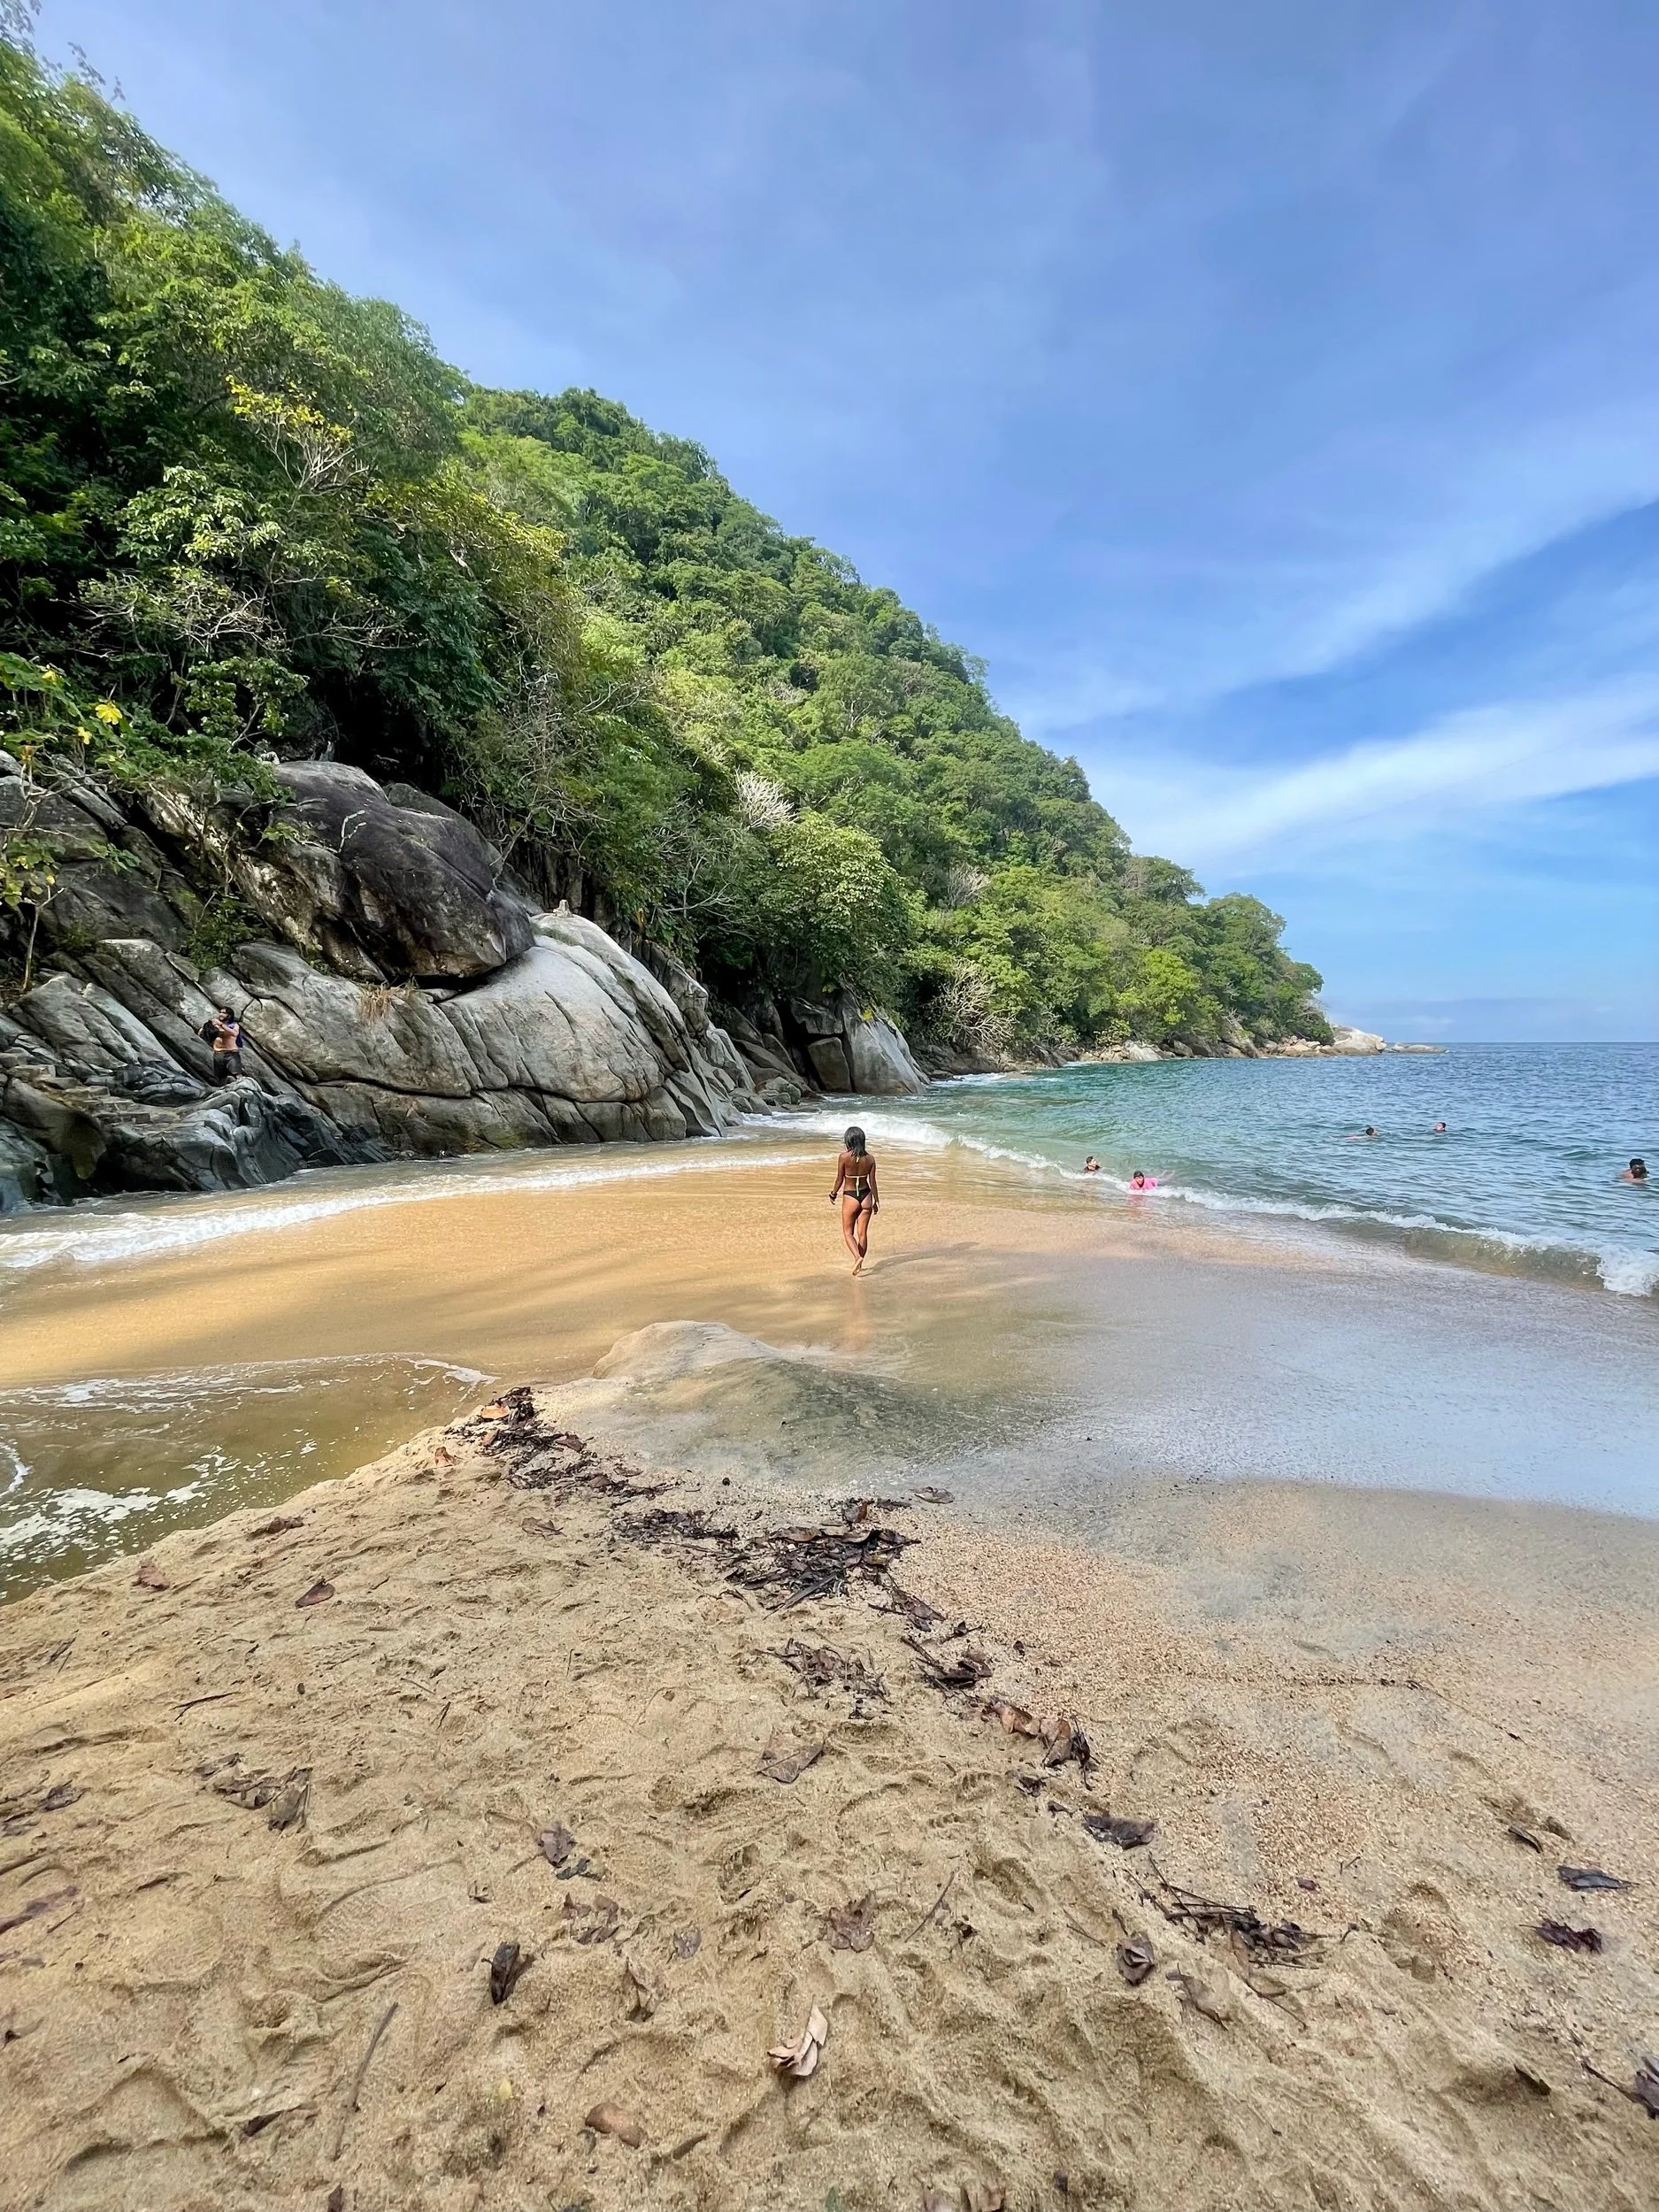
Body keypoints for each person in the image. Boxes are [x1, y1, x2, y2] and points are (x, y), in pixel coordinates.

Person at [830, 1125, 879, 1273]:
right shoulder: (870, 1159)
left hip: (850, 1196)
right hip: (866, 1196)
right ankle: (860, 1265)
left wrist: (833, 1193)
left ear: (848, 1141)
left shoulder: (844, 1157)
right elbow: (873, 1182)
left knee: (848, 1232)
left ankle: (857, 1257)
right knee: (863, 1234)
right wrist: (876, 1201)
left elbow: (840, 1179)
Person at [201, 1005, 244, 1084]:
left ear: (229, 1015)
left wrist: (221, 1025)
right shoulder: (215, 1024)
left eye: (224, 1013)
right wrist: (207, 1026)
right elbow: (203, 1033)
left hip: (231, 1053)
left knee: (237, 1075)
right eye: (220, 1012)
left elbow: (234, 1034)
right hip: (218, 1054)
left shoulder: (234, 1025)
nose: (221, 1014)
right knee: (220, 1077)